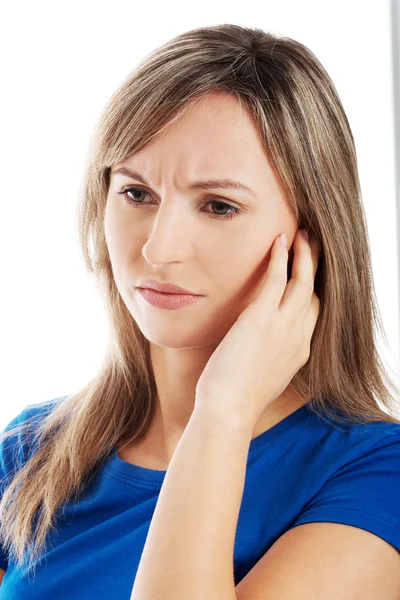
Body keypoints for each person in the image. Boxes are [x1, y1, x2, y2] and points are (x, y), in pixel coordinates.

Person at [1, 23, 400, 599]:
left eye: (218, 205)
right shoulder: (33, 452)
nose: (158, 249)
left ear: (310, 237)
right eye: (136, 193)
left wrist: (224, 410)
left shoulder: (375, 475)